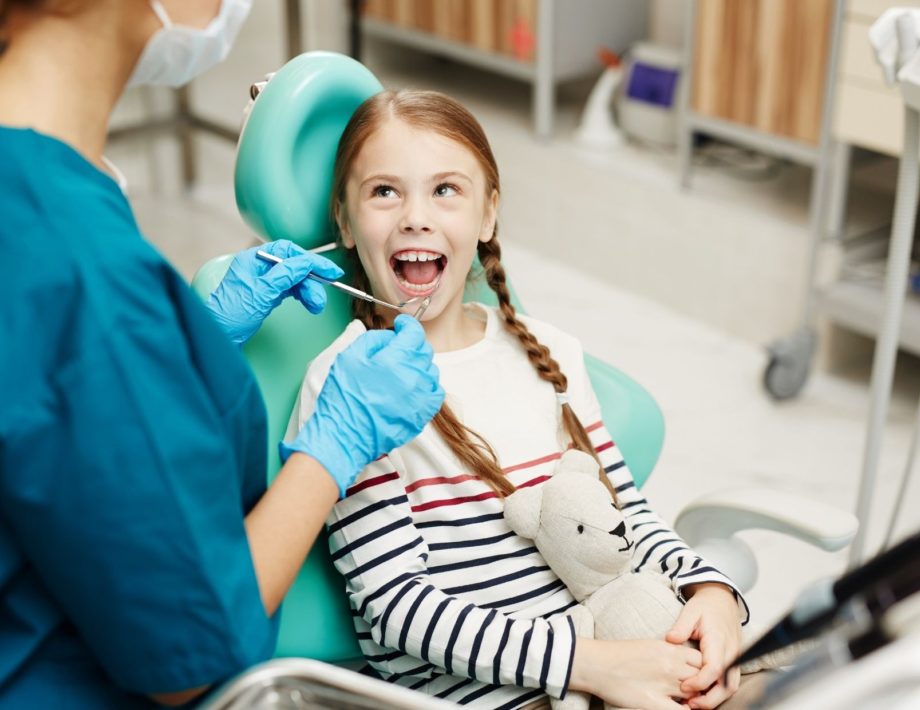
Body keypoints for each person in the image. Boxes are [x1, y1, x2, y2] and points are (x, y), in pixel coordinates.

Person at [0, 2, 443, 707]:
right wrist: (333, 448)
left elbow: (51, 411)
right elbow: (187, 660)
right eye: (385, 192)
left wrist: (184, 344)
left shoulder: (50, 201)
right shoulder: (78, 268)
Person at [287, 89, 749, 710]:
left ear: (487, 215)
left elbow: (627, 515)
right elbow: (399, 611)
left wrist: (710, 595)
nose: (415, 216)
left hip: (613, 665)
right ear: (345, 221)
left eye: (446, 189)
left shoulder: (550, 354)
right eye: (384, 191)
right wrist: (594, 667)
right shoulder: (346, 386)